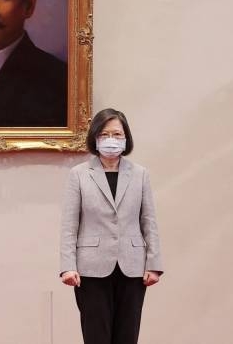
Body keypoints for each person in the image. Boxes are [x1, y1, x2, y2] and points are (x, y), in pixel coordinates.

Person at [59, 108, 163, 344]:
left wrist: (154, 264)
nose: (111, 140)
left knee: (127, 336)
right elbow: (69, 225)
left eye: (117, 134)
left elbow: (149, 221)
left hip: (133, 268)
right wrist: (67, 266)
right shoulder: (79, 175)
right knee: (96, 336)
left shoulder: (140, 174)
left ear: (126, 138)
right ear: (95, 137)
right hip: (91, 269)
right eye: (105, 134)